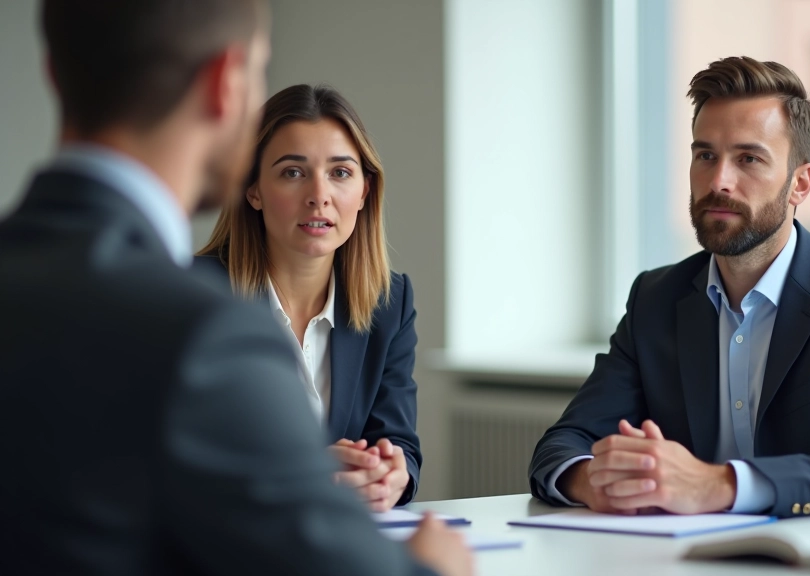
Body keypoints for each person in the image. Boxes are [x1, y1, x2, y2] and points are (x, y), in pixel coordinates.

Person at [0, 1, 471, 575]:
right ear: (226, 83)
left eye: (341, 172)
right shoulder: (201, 327)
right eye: (259, 72)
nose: (318, 193)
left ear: (54, 73)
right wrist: (434, 566)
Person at [529, 56, 810, 519]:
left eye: (749, 159)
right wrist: (593, 481)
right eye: (705, 155)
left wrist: (721, 484)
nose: (719, 181)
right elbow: (563, 445)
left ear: (799, 184)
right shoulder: (656, 299)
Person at [197, 84, 420, 512]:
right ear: (253, 190)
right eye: (293, 172)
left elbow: (400, 443)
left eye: (340, 173)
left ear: (364, 191)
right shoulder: (194, 296)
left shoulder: (389, 305)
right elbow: (168, 457)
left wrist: (391, 474)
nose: (319, 195)